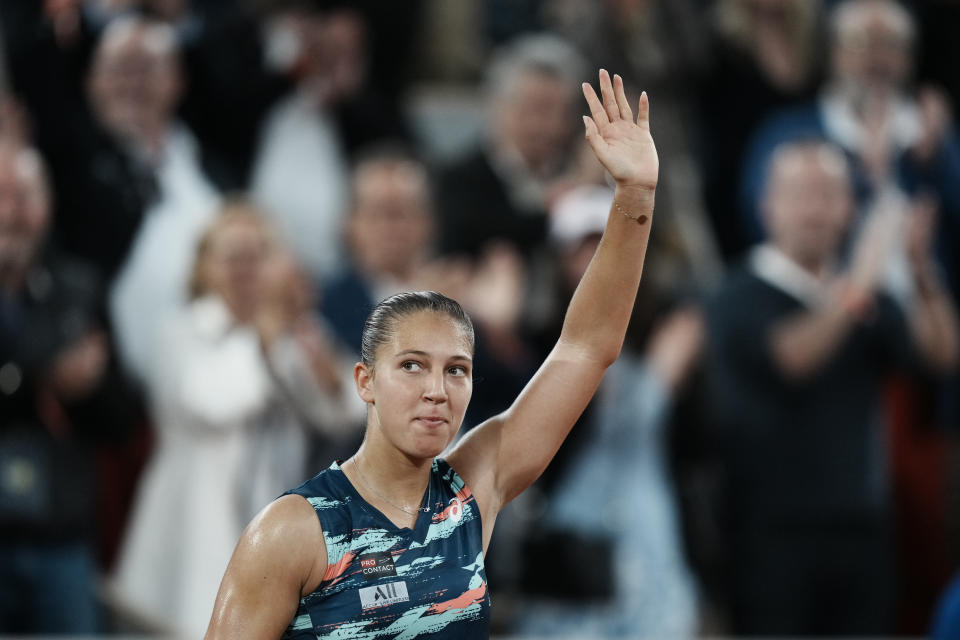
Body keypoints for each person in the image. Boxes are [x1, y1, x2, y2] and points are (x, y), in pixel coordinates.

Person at [204, 68, 659, 638]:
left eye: (457, 370)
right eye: (412, 366)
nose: (437, 390)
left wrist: (635, 198)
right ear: (364, 381)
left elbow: (587, 347)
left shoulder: (471, 493)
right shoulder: (293, 530)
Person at [705, 139, 959, 634]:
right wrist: (859, 282)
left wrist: (923, 272)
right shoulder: (737, 293)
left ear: (848, 206)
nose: (814, 209)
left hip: (864, 528)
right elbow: (793, 357)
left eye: (828, 193)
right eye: (800, 193)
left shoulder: (864, 298)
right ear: (767, 205)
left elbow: (942, 356)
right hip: (770, 536)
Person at [111, 204, 361, 637]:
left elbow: (343, 412)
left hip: (268, 533)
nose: (247, 269)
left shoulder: (292, 330)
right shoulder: (180, 332)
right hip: (189, 539)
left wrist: (313, 353)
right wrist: (269, 332)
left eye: (260, 254)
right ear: (204, 267)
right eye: (233, 256)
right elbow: (210, 401)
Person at [0, 141, 142, 632]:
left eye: (22, 196)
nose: (9, 212)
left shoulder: (80, 287)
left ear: (48, 204)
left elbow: (123, 419)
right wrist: (39, 378)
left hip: (60, 538)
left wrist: (91, 385)